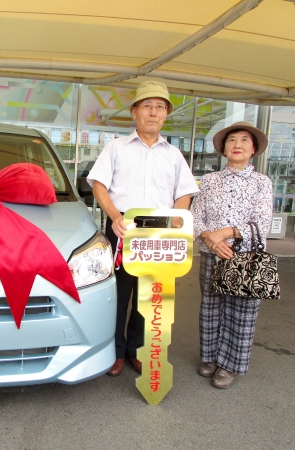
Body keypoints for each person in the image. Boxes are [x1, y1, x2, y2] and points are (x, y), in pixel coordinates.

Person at [87, 80, 199, 377]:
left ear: (166, 115)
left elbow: (184, 192)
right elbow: (99, 185)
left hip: (160, 231)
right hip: (124, 226)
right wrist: (114, 216)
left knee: (148, 294)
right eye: (147, 106)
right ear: (135, 112)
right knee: (118, 293)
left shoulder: (173, 154)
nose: (153, 112)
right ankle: (115, 352)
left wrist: (178, 220)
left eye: (160, 107)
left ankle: (137, 350)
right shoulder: (116, 147)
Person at [190, 121, 273, 389]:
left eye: (244, 140)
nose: (238, 145)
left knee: (242, 312)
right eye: (232, 140)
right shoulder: (209, 181)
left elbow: (263, 223)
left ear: (253, 149)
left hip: (245, 256)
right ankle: (210, 358)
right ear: (224, 149)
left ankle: (230, 365)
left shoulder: (262, 183)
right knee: (211, 307)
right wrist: (210, 240)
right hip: (212, 253)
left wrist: (224, 233)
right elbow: (195, 217)